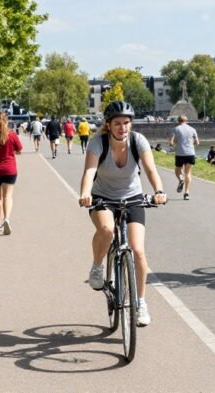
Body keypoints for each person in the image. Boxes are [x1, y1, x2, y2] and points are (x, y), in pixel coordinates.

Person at [79, 101, 167, 327]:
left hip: (133, 197)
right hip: (102, 197)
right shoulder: (98, 143)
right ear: (108, 125)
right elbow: (89, 171)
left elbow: (150, 169)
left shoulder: (138, 141)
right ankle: (98, 266)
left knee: (137, 250)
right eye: (117, 123)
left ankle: (140, 302)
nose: (123, 127)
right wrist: (85, 193)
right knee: (107, 230)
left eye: (126, 123)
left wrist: (158, 191)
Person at [169, 115, 199, 200]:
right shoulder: (193, 129)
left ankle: (181, 179)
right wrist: (190, 145)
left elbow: (171, 142)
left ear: (178, 121)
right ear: (186, 121)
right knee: (188, 173)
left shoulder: (175, 129)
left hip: (180, 153)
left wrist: (174, 145)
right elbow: (197, 142)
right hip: (190, 153)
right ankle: (187, 193)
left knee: (177, 170)